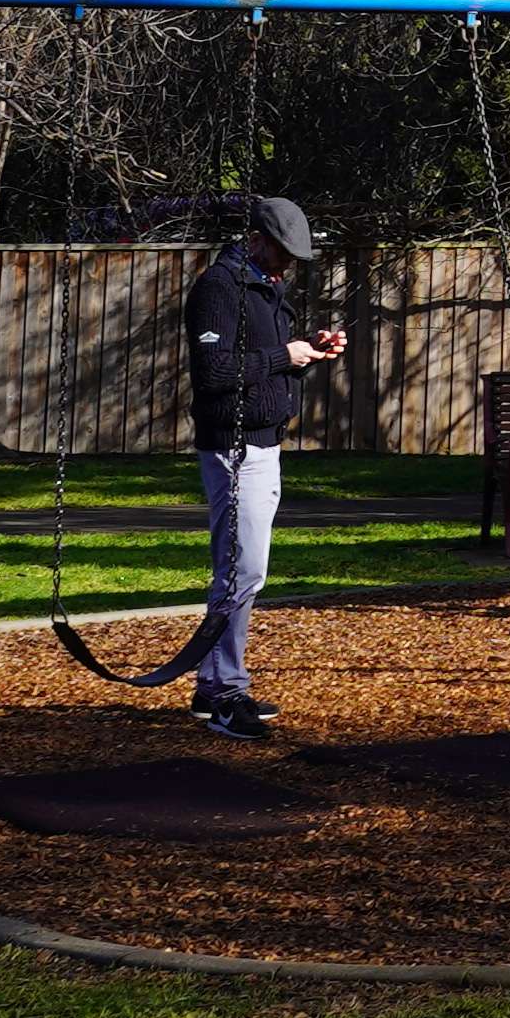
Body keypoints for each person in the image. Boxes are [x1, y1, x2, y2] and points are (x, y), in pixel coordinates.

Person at [181, 195, 346, 735]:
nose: (291, 264)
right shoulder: (219, 289)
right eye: (285, 252)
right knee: (242, 570)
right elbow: (213, 371)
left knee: (243, 568)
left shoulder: (267, 289)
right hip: (233, 447)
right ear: (258, 239)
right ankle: (229, 694)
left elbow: (261, 369)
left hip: (263, 443)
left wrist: (307, 353)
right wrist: (284, 356)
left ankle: (211, 688)